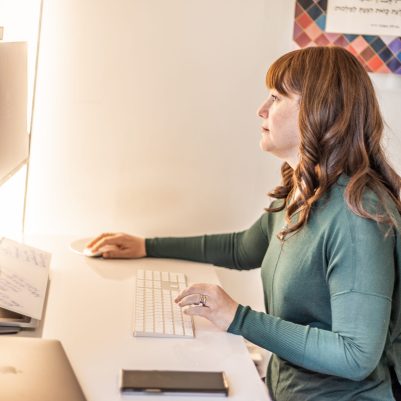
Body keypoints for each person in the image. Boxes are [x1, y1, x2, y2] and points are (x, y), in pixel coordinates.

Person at [86, 46, 401, 400]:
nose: (261, 110)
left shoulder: (358, 215)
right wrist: (146, 246)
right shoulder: (303, 189)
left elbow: (355, 354)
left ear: (318, 111)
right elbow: (243, 249)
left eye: (277, 97)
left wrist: (238, 318)